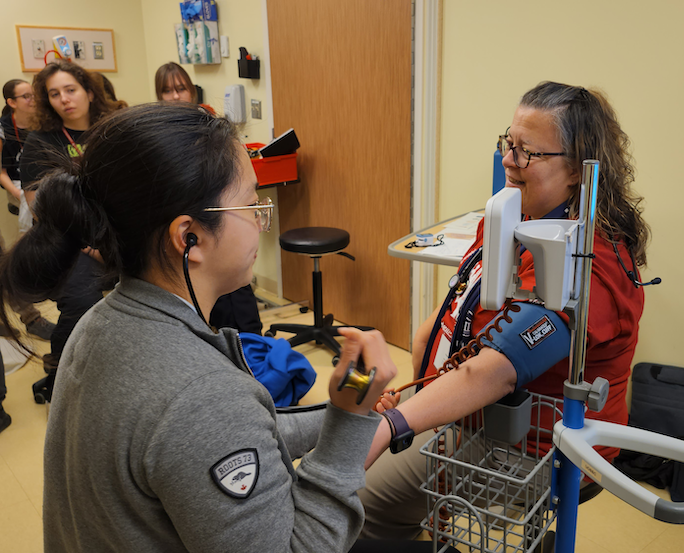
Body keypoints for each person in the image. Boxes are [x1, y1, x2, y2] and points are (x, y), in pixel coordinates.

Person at [0, 102, 399, 552]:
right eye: (251, 204)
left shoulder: (100, 322)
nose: (260, 223)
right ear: (189, 237)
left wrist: (350, 413)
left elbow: (228, 437)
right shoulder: (200, 393)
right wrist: (347, 424)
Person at [358, 81, 652, 540]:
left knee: (356, 501)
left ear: (576, 169)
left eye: (527, 152)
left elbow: (501, 368)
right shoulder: (511, 219)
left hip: (527, 445)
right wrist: (414, 398)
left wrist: (398, 425)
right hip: (477, 414)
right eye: (508, 144)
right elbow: (442, 322)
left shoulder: (587, 262)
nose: (509, 162)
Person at [18, 60, 119, 398]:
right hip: (66, 241)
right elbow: (40, 207)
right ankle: (64, 379)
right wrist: (91, 247)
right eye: (54, 94)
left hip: (114, 236)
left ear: (89, 92)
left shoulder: (114, 129)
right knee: (81, 301)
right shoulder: (39, 142)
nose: (64, 99)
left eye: (71, 90)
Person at [155, 61, 262, 334]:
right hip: (187, 250)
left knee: (241, 315)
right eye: (168, 91)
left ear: (192, 90)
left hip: (216, 241)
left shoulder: (211, 129)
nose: (176, 96)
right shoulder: (158, 138)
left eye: (181, 88)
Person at [0, 79, 56, 342]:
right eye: (26, 96)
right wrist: (18, 193)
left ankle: (30, 316)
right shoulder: (4, 130)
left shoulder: (42, 123)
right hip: (19, 187)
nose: (32, 100)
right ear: (11, 102)